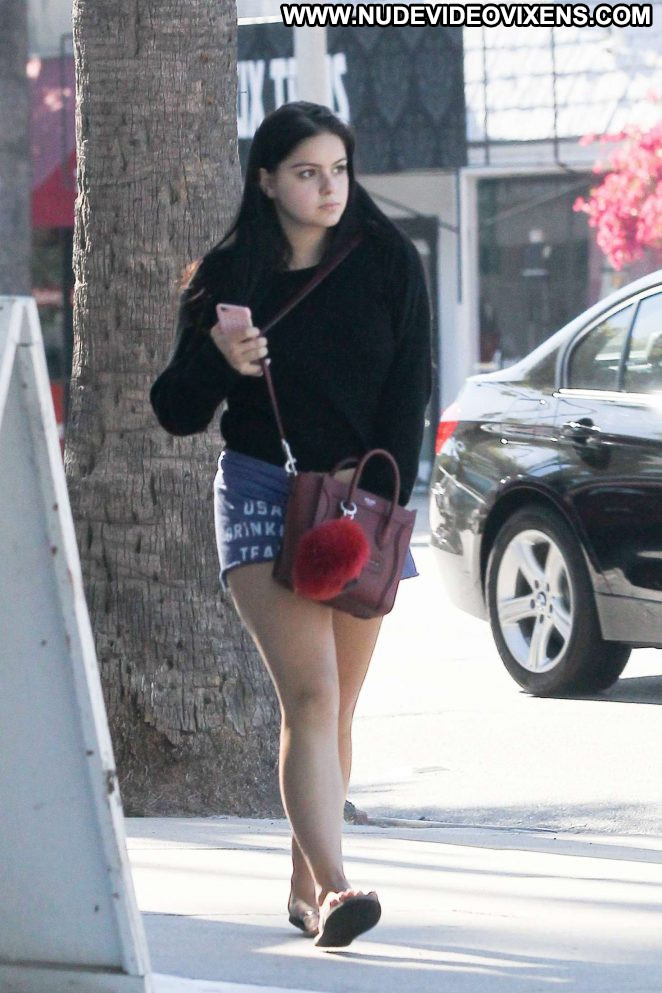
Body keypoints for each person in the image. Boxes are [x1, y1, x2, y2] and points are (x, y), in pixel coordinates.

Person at [150, 101, 431, 949]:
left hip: (359, 507)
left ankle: (306, 891)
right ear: (267, 180)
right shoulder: (230, 276)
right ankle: (341, 886)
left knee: (335, 708)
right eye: (308, 173)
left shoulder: (388, 261)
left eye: (339, 169)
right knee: (309, 694)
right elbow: (174, 409)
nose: (329, 188)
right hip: (263, 491)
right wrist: (218, 359)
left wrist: (373, 498)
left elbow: (408, 396)